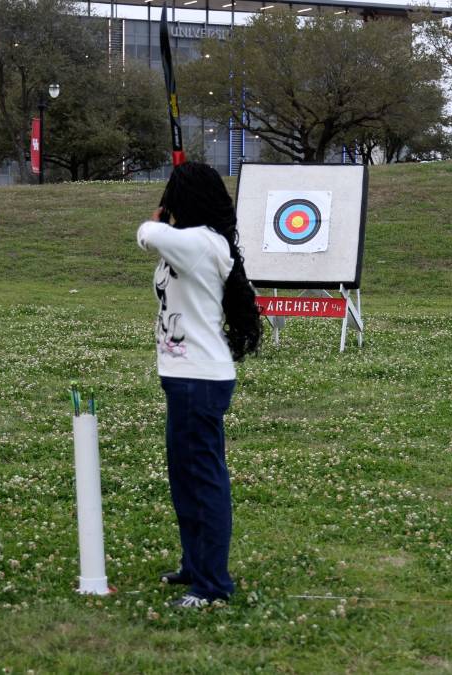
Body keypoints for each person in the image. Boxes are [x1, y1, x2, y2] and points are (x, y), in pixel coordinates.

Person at [136, 161, 261, 608]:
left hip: (198, 380)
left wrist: (160, 212)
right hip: (183, 377)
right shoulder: (197, 243)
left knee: (203, 481)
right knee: (184, 480)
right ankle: (195, 566)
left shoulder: (198, 243)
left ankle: (212, 586)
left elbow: (146, 234)